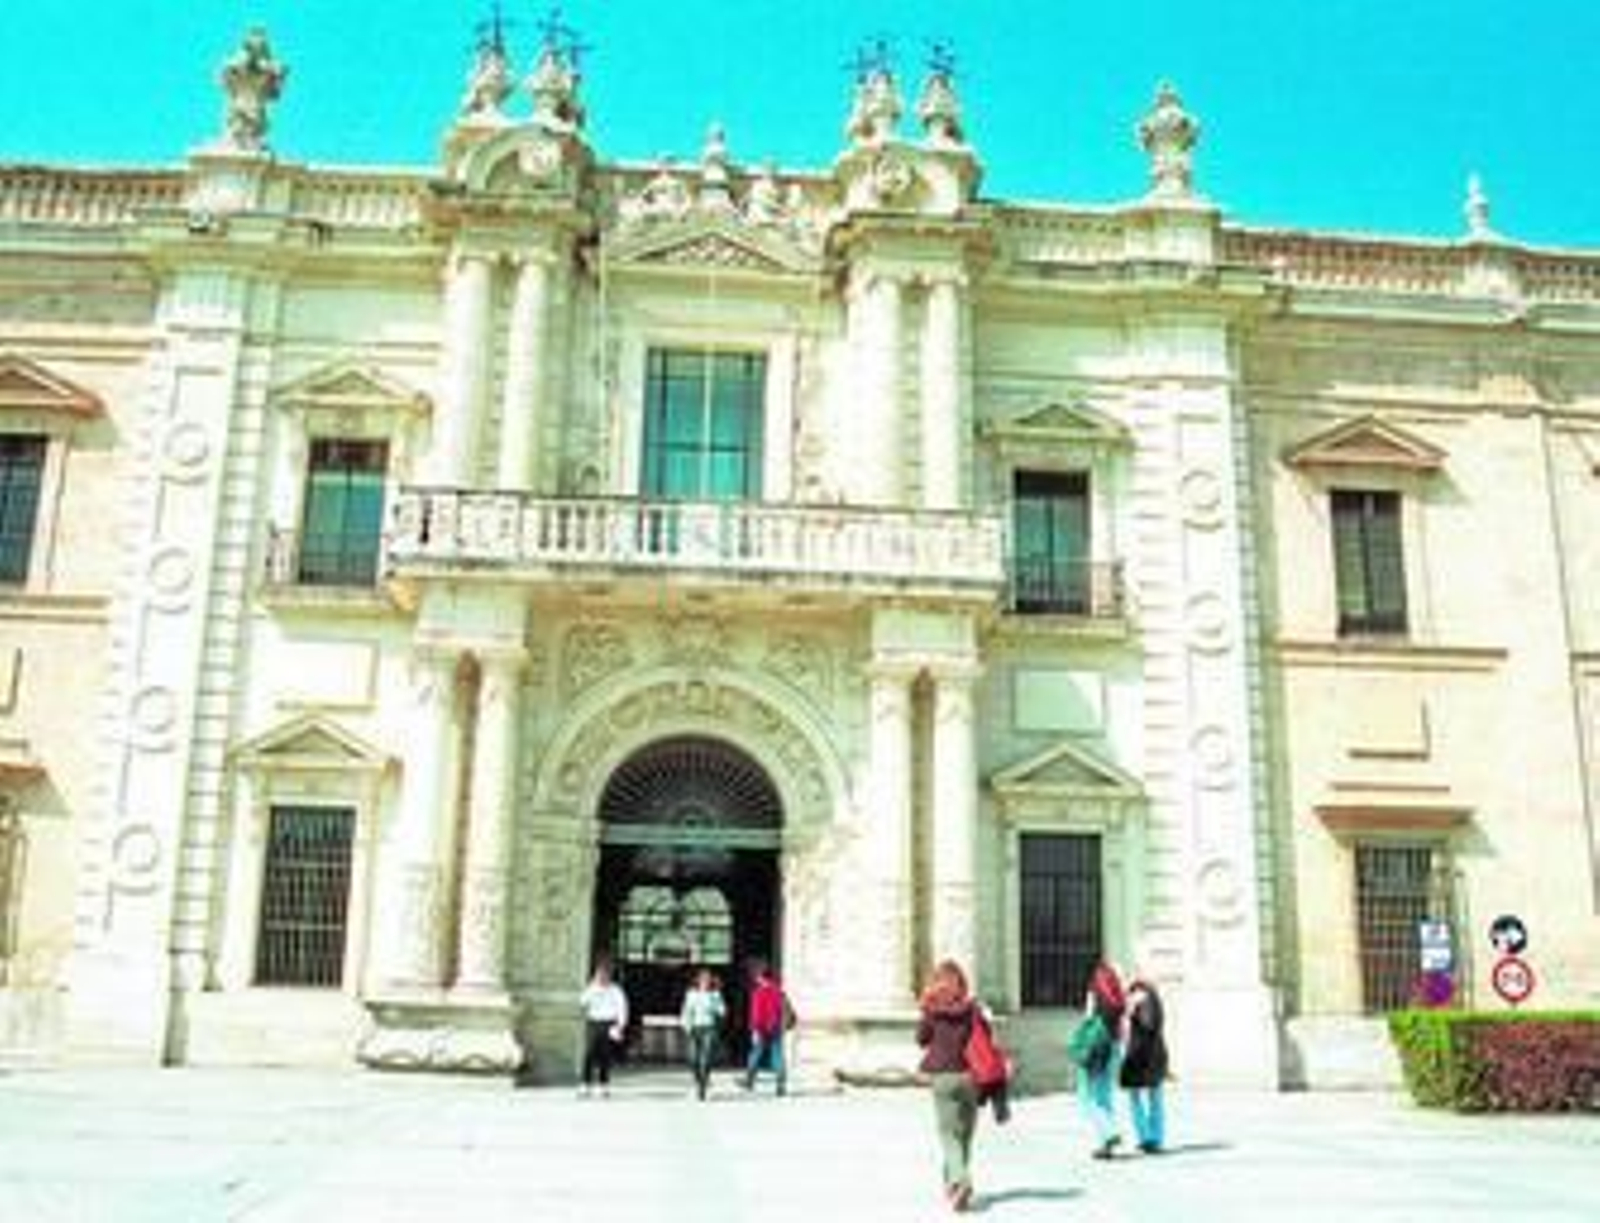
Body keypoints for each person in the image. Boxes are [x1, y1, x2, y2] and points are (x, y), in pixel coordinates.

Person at [917, 959, 980, 1213]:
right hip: (970, 1075)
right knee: (965, 1134)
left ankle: (959, 1180)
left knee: (948, 1134)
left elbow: (922, 1039)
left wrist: (927, 1015)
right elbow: (985, 1038)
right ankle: (954, 1185)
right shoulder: (972, 1009)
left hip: (943, 1077)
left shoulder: (931, 1009)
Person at [1077, 960, 1125, 1159]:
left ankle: (1109, 1133)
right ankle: (1106, 1144)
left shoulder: (1094, 989)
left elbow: (1088, 1018)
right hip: (1113, 1045)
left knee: (1086, 1096)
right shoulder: (1117, 992)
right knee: (1104, 1096)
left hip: (1095, 1046)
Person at [1120, 973, 1170, 1154]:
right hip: (1157, 1053)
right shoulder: (1156, 999)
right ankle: (1156, 1137)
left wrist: (1130, 1012)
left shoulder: (1137, 1000)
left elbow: (1144, 1025)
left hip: (1139, 1054)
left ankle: (1145, 1137)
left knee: (1135, 1097)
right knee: (1155, 1098)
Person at [578, 958, 628, 1098]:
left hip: (609, 1023)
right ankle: (585, 1084)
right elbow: (582, 1002)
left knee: (605, 1056)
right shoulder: (591, 988)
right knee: (589, 1054)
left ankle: (603, 1085)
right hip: (594, 1022)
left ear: (609, 976)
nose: (602, 977)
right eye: (599, 974)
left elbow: (622, 1008)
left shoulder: (616, 991)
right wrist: (593, 988)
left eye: (605, 975)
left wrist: (620, 1025)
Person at [743, 962, 791, 1096]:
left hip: (761, 1028)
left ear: (759, 977)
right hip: (776, 1027)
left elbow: (756, 1013)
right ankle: (780, 1083)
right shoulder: (778, 990)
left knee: (756, 1053)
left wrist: (754, 1029)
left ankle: (750, 1080)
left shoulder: (758, 992)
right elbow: (782, 1009)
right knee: (778, 1055)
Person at [680, 966, 726, 1101]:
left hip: (709, 1028)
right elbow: (686, 1011)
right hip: (694, 1028)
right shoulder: (691, 994)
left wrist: (715, 1004)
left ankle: (702, 1087)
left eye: (707, 979)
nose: (705, 982)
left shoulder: (715, 995)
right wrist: (686, 1025)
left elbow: (722, 1011)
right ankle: (698, 1080)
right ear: (698, 981)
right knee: (693, 1058)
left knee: (706, 1059)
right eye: (703, 979)